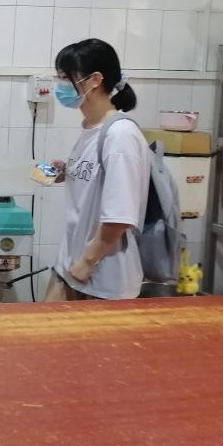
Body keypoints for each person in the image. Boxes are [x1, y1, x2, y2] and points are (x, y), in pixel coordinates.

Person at [45, 38, 151, 301]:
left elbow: (120, 216)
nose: (60, 86)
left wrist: (87, 262)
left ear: (94, 80)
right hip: (71, 265)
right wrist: (68, 172)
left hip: (101, 279)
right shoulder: (91, 128)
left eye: (66, 78)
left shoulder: (120, 135)